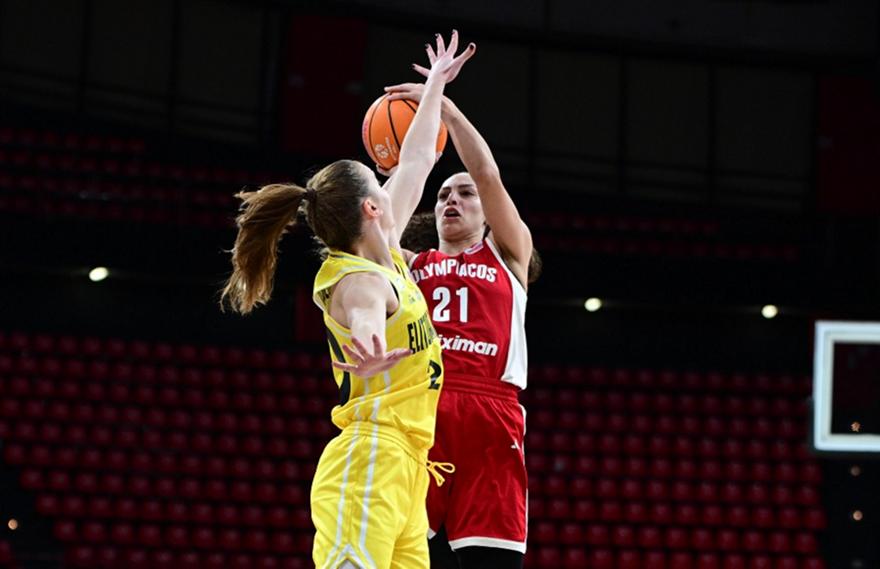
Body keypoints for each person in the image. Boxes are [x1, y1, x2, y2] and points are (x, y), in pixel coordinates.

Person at [220, 31, 475, 569]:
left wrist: (435, 83)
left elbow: (417, 160)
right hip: (370, 459)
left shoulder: (388, 253)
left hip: (409, 467)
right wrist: (368, 344)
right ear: (372, 208)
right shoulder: (356, 279)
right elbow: (363, 315)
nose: (390, 179)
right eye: (379, 183)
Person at [385, 78, 534, 568]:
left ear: (487, 213)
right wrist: (403, 168)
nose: (452, 200)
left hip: (492, 410)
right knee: (405, 555)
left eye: (464, 194)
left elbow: (487, 174)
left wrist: (444, 108)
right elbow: (376, 229)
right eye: (443, 195)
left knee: (491, 559)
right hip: (423, 409)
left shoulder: (507, 254)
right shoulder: (411, 265)